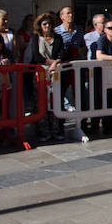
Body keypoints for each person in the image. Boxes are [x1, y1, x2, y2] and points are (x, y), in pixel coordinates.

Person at [25, 13, 66, 142]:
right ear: (40, 26)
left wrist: (56, 63)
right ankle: (43, 131)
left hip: (55, 74)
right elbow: (36, 57)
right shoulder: (35, 38)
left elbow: (62, 54)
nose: (47, 26)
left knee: (55, 101)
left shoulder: (58, 38)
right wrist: (52, 62)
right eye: (44, 24)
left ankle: (57, 130)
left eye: (49, 23)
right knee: (40, 102)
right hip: (40, 74)